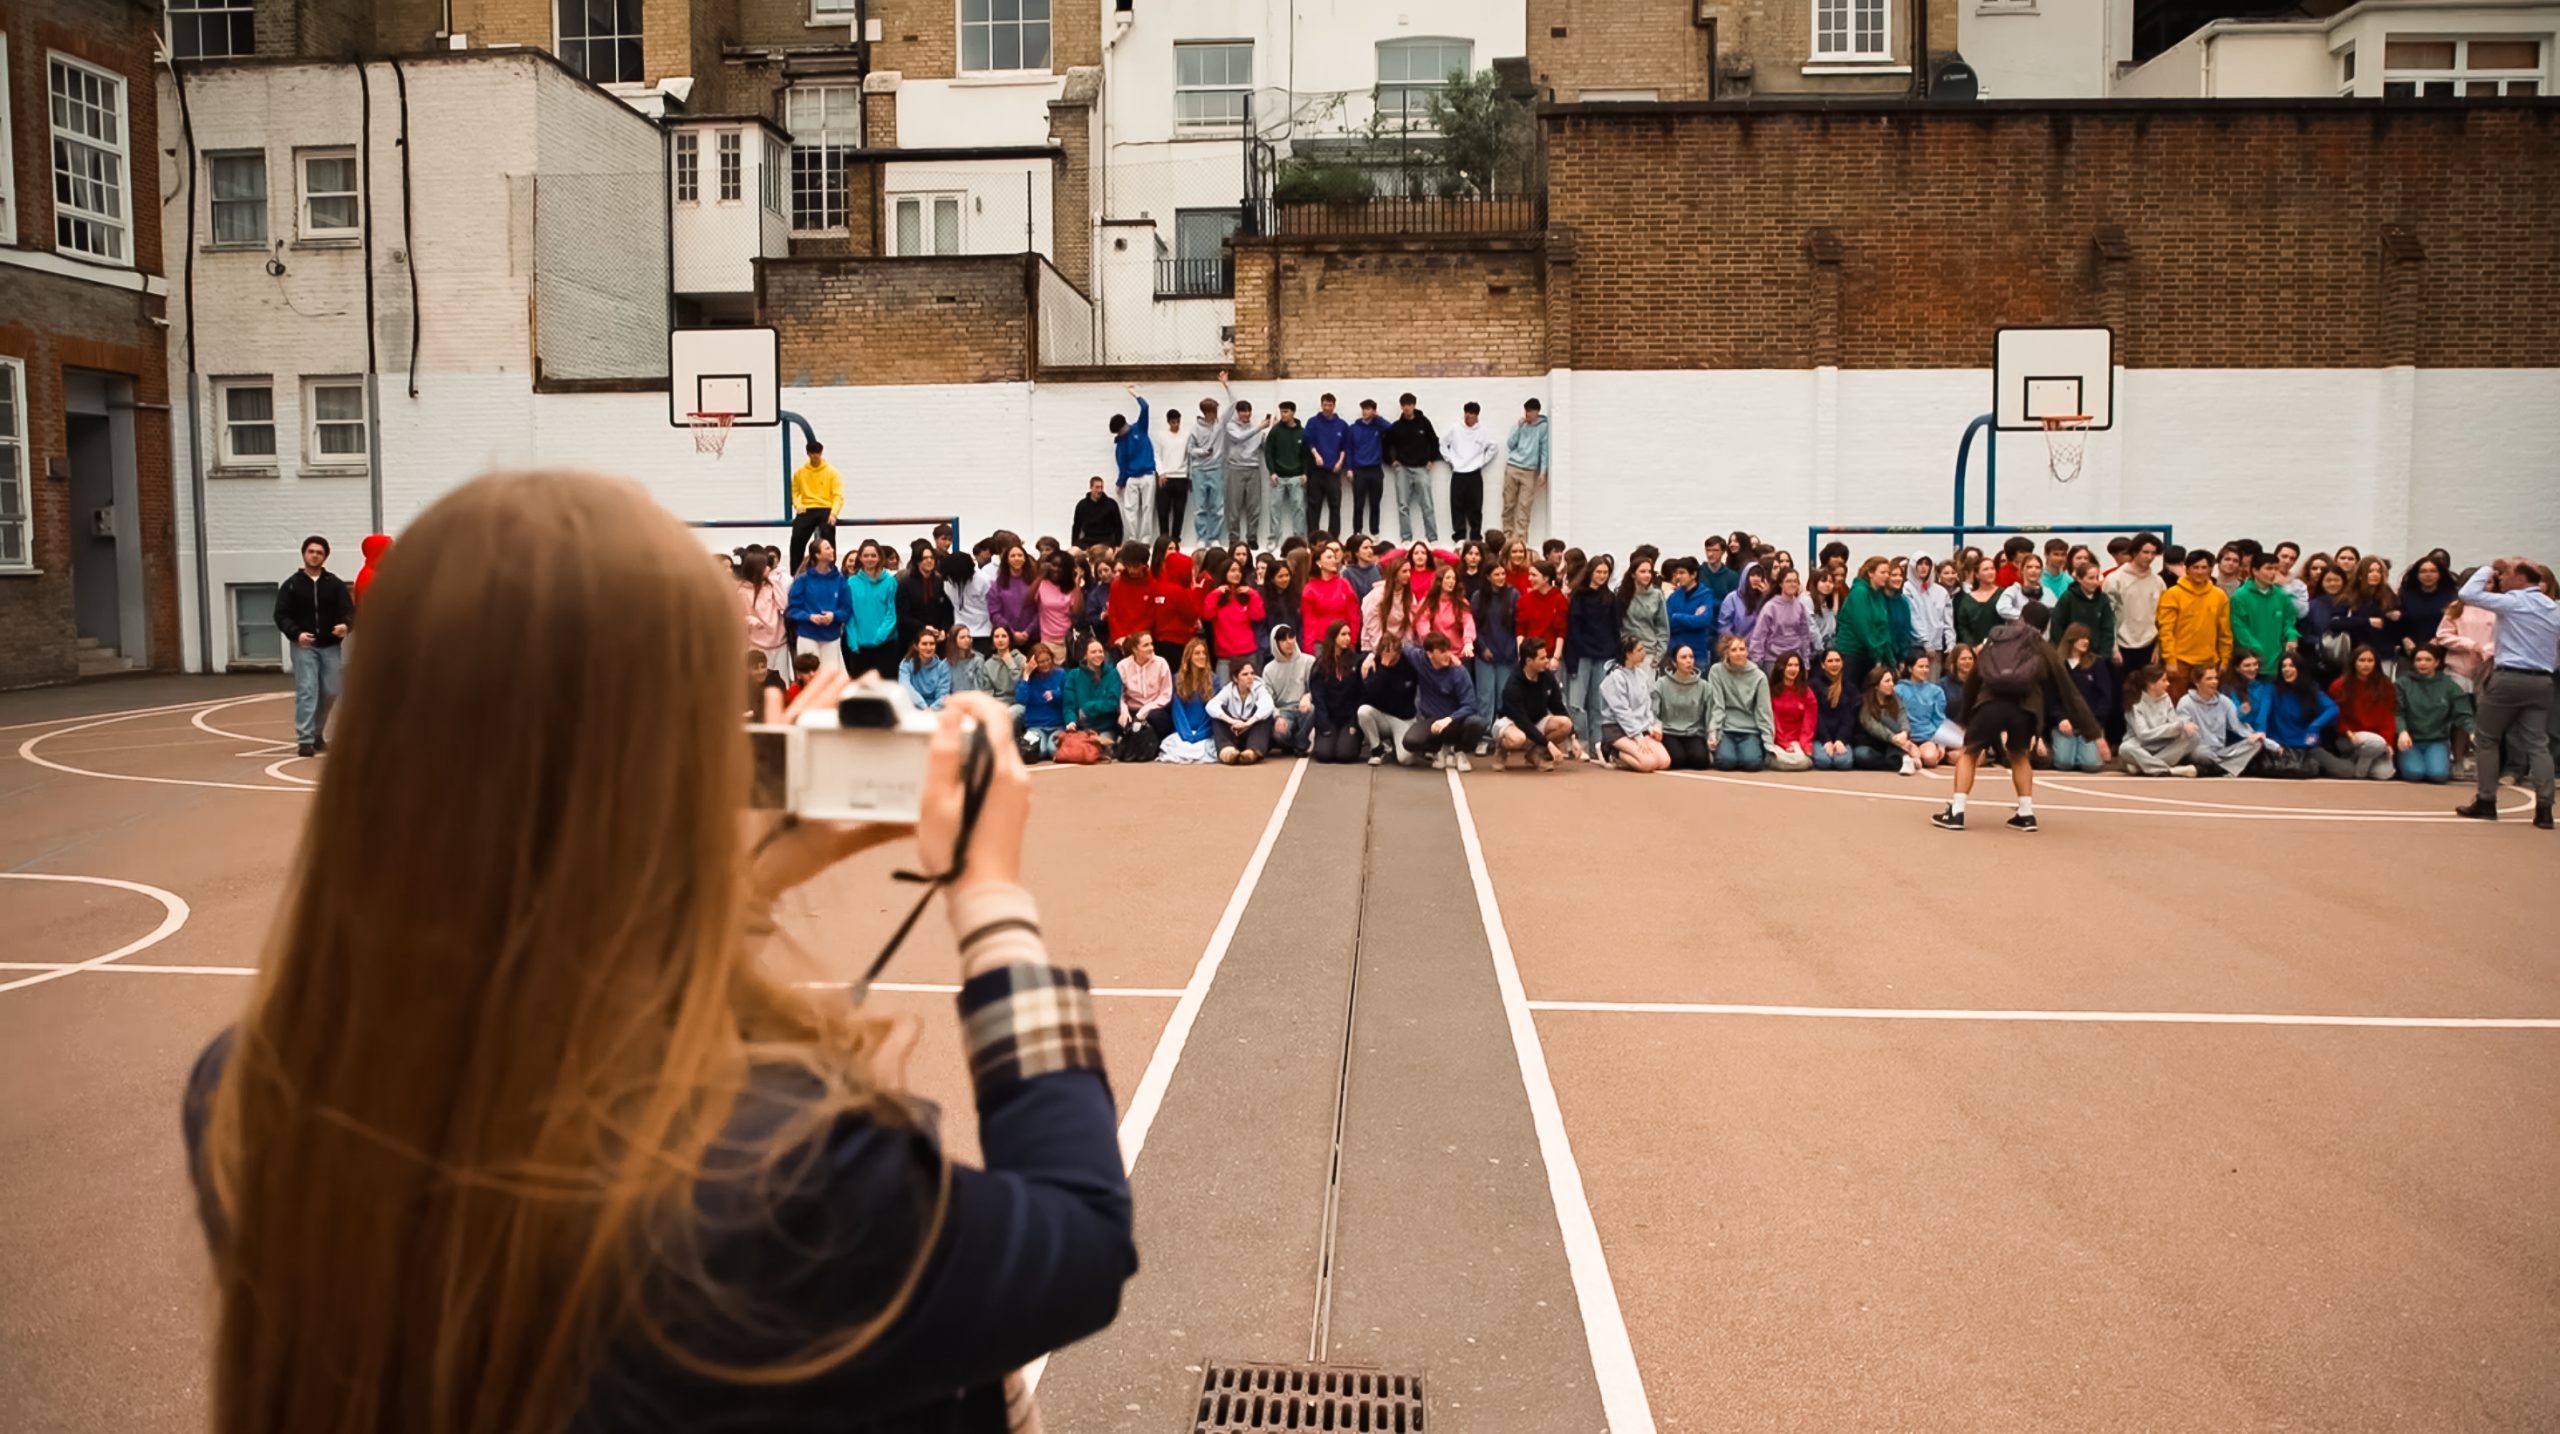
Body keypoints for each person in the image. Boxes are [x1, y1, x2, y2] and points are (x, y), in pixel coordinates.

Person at [186, 473, 1132, 1434]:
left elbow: (552, 964)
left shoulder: (251, 1094)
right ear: (665, 758)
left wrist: (741, 875)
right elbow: (1080, 1242)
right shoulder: (788, 1178)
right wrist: (990, 894)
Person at [1932, 604, 2102, 830]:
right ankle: (2025, 814)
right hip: (2026, 708)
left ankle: (1957, 811)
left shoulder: (1996, 639)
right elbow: (2066, 688)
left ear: (2020, 617)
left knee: (1970, 752)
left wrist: (1965, 716)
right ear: (2044, 626)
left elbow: (1975, 677)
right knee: (2019, 755)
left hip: (1990, 703)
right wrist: (2091, 729)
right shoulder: (2043, 647)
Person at [275, 535, 353, 757]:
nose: (315, 555)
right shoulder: (291, 585)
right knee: (307, 690)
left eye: (319, 552)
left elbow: (348, 611)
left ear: (325, 556)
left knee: (331, 690)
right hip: (304, 647)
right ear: (304, 554)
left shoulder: (334, 584)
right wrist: (296, 633)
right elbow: (281, 615)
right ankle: (306, 739)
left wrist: (345, 625)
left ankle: (317, 733)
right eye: (311, 551)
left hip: (330, 646)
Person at [1564, 555, 1622, 761]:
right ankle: (1580, 742)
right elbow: (1573, 628)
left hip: (1603, 655)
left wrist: (1616, 653)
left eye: (1605, 573)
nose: (1602, 576)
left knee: (1598, 703)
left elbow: (1616, 628)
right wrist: (1574, 654)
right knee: (1577, 703)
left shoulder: (1610, 598)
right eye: (1598, 572)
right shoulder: (1579, 596)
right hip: (1581, 654)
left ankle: (1597, 745)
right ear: (1590, 572)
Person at [1399, 634, 1484, 770]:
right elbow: (1403, 646)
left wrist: (1450, 719)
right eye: (1442, 651)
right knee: (1410, 742)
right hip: (1432, 721)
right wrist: (1371, 656)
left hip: (1456, 721)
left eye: (1448, 650)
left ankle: (1459, 750)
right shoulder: (1419, 659)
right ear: (1430, 654)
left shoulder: (1458, 671)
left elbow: (1470, 705)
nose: (1447, 655)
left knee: (1478, 723)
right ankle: (1439, 749)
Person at [2155, 549, 2232, 697]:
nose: (2200, 571)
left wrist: (2225, 659)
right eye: (2195, 567)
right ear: (2187, 569)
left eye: (2204, 568)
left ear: (2210, 569)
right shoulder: (2173, 594)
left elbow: (2225, 632)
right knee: (2175, 703)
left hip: (2209, 662)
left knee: (2207, 704)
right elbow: (2166, 630)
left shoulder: (2219, 595)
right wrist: (2170, 660)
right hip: (2179, 662)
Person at [2320, 647, 2398, 780]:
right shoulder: (2339, 685)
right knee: (2376, 744)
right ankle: (2359, 774)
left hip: (2378, 740)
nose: (2366, 664)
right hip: (2349, 737)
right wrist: (2347, 732)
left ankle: (2353, 763)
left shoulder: (2385, 685)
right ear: (2354, 662)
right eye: (2361, 660)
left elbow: (2388, 717)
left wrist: (2389, 743)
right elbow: (2335, 715)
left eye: (2370, 661)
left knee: (2384, 774)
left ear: (2375, 663)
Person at [2173, 664, 2264, 777]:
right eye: (2209, 679)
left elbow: (2239, 728)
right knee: (2201, 753)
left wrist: (2262, 739)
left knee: (2256, 743)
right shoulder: (2186, 702)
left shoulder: (2225, 701)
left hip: (2221, 752)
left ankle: (2205, 770)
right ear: (2197, 682)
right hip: (2199, 750)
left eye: (2216, 678)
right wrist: (2186, 727)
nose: (2214, 682)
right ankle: (2226, 769)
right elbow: (2184, 729)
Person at [2395, 644, 2467, 784]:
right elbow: (2397, 711)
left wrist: (2472, 731)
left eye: (2428, 659)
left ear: (2437, 662)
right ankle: (2403, 761)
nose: (2422, 663)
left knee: (2438, 775)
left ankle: (2442, 761)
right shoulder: (2402, 683)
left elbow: (2463, 710)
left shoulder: (2449, 685)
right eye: (2418, 659)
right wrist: (2402, 731)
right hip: (2410, 741)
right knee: (2414, 774)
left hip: (2436, 740)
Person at [1704, 635, 1776, 772]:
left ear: (1747, 651)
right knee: (1726, 762)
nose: (1738, 653)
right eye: (1734, 650)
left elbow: (1764, 711)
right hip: (1726, 729)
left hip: (1750, 730)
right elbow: (1717, 706)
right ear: (1727, 653)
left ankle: (1750, 751)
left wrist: (1768, 743)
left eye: (1742, 649)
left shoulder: (1759, 676)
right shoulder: (1716, 671)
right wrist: (1713, 733)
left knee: (1752, 764)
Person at [1596, 637, 1669, 772]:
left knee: (1664, 761)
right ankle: (1611, 750)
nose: (1644, 653)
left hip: (1639, 725)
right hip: (1616, 728)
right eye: (1639, 650)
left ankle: (1627, 750)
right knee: (1648, 764)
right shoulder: (1615, 678)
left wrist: (1651, 726)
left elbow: (1646, 705)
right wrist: (1637, 736)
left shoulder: (1641, 674)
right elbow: (1621, 712)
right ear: (1628, 654)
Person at [786, 536, 853, 679]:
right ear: (817, 554)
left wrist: (833, 616)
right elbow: (793, 609)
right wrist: (809, 617)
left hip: (832, 637)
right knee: (809, 677)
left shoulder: (840, 580)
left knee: (831, 678)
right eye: (827, 548)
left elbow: (846, 609)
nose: (832, 550)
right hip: (807, 635)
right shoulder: (802, 580)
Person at [2053, 624, 2119, 769]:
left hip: (2090, 723)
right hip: (2065, 724)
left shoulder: (2097, 664)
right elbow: (2051, 696)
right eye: (2081, 637)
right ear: (2071, 639)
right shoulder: (2057, 664)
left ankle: (2082, 752)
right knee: (2064, 763)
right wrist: (2060, 718)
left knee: (2091, 765)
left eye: (2088, 638)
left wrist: (2094, 723)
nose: (2086, 641)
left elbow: (2105, 697)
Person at [2118, 665, 2200, 777]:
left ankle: (2143, 765)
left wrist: (2182, 727)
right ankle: (2172, 771)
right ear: (2152, 685)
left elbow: (2174, 723)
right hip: (2142, 745)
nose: (2168, 684)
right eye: (2164, 680)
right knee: (2125, 748)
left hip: (2163, 745)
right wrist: (2176, 727)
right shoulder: (2135, 703)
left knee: (2193, 737)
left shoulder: (2166, 698)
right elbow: (2143, 734)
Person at [1307, 623, 1369, 764]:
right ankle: (1326, 737)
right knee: (1324, 755)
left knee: (1345, 755)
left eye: (1349, 634)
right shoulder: (1321, 664)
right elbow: (1318, 697)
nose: (1347, 638)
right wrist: (1324, 725)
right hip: (1329, 718)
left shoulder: (1356, 661)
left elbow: (1361, 695)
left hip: (1349, 718)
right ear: (1333, 637)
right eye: (1343, 634)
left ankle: (1353, 739)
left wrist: (1354, 723)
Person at [2104, 532, 2168, 668]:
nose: (2149, 557)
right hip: (2122, 646)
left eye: (2153, 553)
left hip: (2149, 646)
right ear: (2134, 551)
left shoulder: (2158, 582)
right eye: (2145, 552)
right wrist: (2113, 648)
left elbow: (2162, 618)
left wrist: (2158, 646)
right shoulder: (2115, 579)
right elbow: (2107, 617)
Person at [1442, 401, 1501, 542]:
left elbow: (1493, 447)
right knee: (1457, 506)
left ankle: (1475, 537)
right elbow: (1443, 444)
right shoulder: (1455, 428)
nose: (1468, 416)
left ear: (1477, 416)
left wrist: (1482, 462)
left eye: (1472, 413)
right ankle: (1459, 537)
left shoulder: (1483, 431)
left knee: (1475, 507)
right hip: (1458, 473)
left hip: (1474, 474)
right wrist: (1450, 460)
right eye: (1466, 412)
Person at [1358, 636, 1422, 766]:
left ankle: (1396, 743)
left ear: (1399, 653)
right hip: (1382, 716)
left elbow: (1401, 692)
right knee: (1363, 711)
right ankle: (1377, 749)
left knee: (1406, 760)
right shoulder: (1374, 664)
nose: (1390, 657)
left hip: (1403, 718)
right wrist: (1384, 667)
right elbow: (1370, 694)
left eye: (1393, 653)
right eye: (1385, 653)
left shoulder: (1408, 665)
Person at [843, 541, 902, 680]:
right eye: (866, 555)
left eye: (873, 555)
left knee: (887, 688)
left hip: (885, 644)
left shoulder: (890, 581)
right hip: (859, 647)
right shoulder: (851, 583)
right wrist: (853, 641)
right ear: (860, 558)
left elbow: (891, 612)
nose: (870, 559)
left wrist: (879, 637)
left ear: (880, 558)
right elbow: (849, 614)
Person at [1202, 556, 1265, 684]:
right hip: (1225, 656)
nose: (1237, 574)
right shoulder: (1216, 596)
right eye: (1233, 570)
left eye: (1239, 571)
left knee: (1251, 691)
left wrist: (1253, 594)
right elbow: (1207, 615)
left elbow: (1258, 615)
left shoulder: (1246, 595)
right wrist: (1216, 593)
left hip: (1248, 653)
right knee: (1223, 693)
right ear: (1224, 573)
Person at [1158, 638, 1221, 764]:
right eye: (1197, 653)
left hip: (1204, 732)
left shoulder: (1214, 680)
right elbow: (1177, 712)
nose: (1201, 656)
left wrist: (1199, 735)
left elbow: (1212, 711)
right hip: (1183, 731)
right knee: (1178, 747)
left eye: (1204, 653)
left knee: (1204, 749)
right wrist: (1186, 735)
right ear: (1189, 657)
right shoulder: (1177, 679)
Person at [1221, 390, 1270, 549]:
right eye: (1243, 411)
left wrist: (1269, 430)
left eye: (1248, 411)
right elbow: (1239, 437)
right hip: (1235, 468)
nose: (1246, 414)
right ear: (1238, 412)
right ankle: (1234, 538)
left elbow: (1264, 446)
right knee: (1233, 506)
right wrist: (1259, 427)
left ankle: (1252, 537)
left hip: (1253, 469)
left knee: (1254, 506)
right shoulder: (1231, 426)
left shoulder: (1256, 428)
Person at [1188, 378, 1233, 546]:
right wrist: (1203, 452)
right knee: (1200, 508)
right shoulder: (1195, 428)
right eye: (1213, 412)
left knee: (1217, 506)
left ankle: (1214, 537)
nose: (1215, 415)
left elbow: (1234, 404)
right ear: (1207, 412)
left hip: (1216, 469)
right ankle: (1202, 537)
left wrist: (1226, 384)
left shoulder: (1220, 424)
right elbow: (1191, 450)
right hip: (1199, 470)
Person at [1653, 643, 1712, 769]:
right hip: (1669, 731)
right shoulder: (1661, 684)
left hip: (1694, 732)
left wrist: (1711, 734)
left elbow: (1710, 714)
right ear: (1674, 663)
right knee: (1677, 760)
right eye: (1684, 657)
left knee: (1700, 761)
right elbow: (1653, 712)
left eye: (1691, 657)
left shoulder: (1704, 686)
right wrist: (1656, 725)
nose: (1689, 661)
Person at [785, 438, 841, 572]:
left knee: (828, 535)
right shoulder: (800, 472)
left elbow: (837, 495)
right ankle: (796, 571)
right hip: (807, 508)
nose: (815, 457)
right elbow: (794, 492)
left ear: (821, 453)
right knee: (797, 537)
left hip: (825, 508)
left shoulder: (831, 472)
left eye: (817, 454)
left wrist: (834, 513)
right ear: (808, 454)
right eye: (812, 454)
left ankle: (830, 568)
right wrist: (798, 505)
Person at [1852, 665, 1921, 773]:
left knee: (1888, 719)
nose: (1892, 684)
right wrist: (1893, 738)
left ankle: (1899, 758)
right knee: (1860, 754)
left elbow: (1902, 716)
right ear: (1876, 686)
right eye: (1887, 681)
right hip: (1873, 744)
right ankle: (1899, 761)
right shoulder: (1864, 702)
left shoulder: (1895, 698)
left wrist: (1904, 732)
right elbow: (1872, 726)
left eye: (1892, 680)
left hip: (1893, 745)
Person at [1499, 398, 1549, 539]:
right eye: (1526, 411)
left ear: (1537, 412)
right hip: (1513, 466)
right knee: (1508, 504)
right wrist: (1519, 428)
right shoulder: (1520, 425)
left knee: (1524, 506)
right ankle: (1507, 537)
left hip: (1530, 470)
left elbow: (1544, 450)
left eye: (1530, 411)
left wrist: (1543, 472)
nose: (1527, 414)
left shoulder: (1543, 427)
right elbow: (1510, 444)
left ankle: (1521, 540)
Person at [1262, 626, 1316, 756]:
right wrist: (1277, 716)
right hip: (1283, 712)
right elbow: (1267, 698)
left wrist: (1308, 696)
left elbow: (1317, 689)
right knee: (1279, 734)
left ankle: (1301, 743)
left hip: (1303, 707)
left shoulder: (1309, 661)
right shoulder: (1269, 669)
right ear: (1275, 643)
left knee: (1313, 709)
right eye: (1283, 639)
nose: (1289, 642)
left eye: (1291, 637)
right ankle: (1292, 742)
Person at [1208, 662, 1277, 765]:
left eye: (1252, 673)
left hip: (1251, 731)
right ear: (1235, 678)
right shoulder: (1228, 689)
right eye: (1245, 674)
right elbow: (1211, 705)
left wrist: (1248, 723)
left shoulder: (1259, 688)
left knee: (1265, 715)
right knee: (1217, 714)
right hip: (1234, 729)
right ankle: (1227, 750)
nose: (1250, 677)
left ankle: (1252, 751)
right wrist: (1232, 721)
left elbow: (1268, 705)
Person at [1117, 630, 1174, 752]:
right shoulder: (1122, 666)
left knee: (1156, 717)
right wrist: (1124, 711)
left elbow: (1166, 694)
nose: (1151, 648)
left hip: (1154, 709)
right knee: (1119, 718)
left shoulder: (1161, 663)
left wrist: (1145, 710)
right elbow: (1120, 694)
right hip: (1132, 710)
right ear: (1135, 650)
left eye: (1151, 644)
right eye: (1146, 645)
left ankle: (1156, 746)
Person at [1062, 636, 1123, 748]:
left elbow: (1113, 703)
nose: (1098, 655)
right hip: (1083, 728)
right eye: (1093, 652)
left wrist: (1087, 708)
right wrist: (1071, 722)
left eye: (1100, 651)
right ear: (1085, 655)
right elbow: (1069, 705)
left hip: (1106, 727)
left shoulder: (1113, 674)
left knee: (1098, 747)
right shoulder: (1074, 675)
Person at [1305, 394, 1352, 537]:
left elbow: (1345, 446)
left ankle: (1334, 538)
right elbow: (1308, 441)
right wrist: (1316, 455)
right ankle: (1313, 538)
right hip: (1316, 471)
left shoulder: (1342, 425)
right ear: (1321, 405)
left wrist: (1340, 462)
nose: (1327, 408)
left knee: (1335, 505)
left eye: (1329, 405)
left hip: (1333, 471)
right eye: (1325, 405)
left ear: (1334, 406)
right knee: (1314, 505)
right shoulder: (1313, 422)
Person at [738, 547, 790, 678]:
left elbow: (784, 604)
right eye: (764, 565)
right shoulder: (742, 591)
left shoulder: (772, 584)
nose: (768, 568)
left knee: (781, 681)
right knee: (759, 682)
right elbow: (738, 617)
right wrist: (750, 620)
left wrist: (775, 582)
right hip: (757, 644)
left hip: (779, 642)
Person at [896, 546, 956, 653]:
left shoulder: (942, 582)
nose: (929, 561)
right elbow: (903, 615)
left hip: (938, 640)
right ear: (917, 561)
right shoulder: (905, 585)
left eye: (932, 558)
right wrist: (923, 627)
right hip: (912, 640)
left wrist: (943, 629)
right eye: (925, 558)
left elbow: (948, 610)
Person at [1265, 401, 1310, 544]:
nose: (1283, 415)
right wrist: (1272, 471)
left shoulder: (1301, 432)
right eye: (1281, 412)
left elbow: (1305, 454)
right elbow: (1268, 452)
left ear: (1293, 413)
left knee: (1299, 509)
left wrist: (1305, 473)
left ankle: (1299, 539)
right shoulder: (1275, 431)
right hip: (1278, 477)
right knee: (1274, 509)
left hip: (1296, 477)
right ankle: (1274, 539)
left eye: (1286, 412)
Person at [1897, 653, 1953, 767]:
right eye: (1920, 667)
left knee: (1930, 760)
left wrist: (1941, 744)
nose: (1925, 670)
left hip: (1927, 736)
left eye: (1927, 667)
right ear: (1910, 669)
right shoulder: (1899, 690)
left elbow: (1939, 718)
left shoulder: (1936, 691)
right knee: (1912, 756)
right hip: (1906, 737)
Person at [1345, 399, 1391, 537]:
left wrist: (1377, 417)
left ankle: (1374, 533)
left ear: (1374, 411)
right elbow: (1349, 449)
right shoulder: (1353, 428)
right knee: (1358, 504)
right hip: (1359, 470)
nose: (1365, 412)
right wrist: (1349, 468)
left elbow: (1391, 428)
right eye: (1364, 409)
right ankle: (1357, 532)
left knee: (1375, 504)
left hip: (1375, 469)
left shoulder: (1378, 427)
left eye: (1369, 409)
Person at [1014, 642, 1067, 760]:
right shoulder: (1028, 678)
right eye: (1041, 662)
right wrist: (1026, 675)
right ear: (1034, 663)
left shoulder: (1061, 674)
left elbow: (1067, 697)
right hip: (1035, 726)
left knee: (1053, 749)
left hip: (1057, 725)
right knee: (1040, 751)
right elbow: (1021, 699)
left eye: (1048, 660)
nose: (1045, 664)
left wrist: (1055, 695)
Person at [1808, 649, 1859, 770]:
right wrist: (1826, 740)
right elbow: (1815, 716)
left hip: (1841, 738)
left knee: (1843, 763)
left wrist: (1841, 740)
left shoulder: (1849, 687)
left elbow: (1850, 717)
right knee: (1823, 762)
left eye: (1837, 660)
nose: (1834, 664)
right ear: (1822, 665)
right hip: (1820, 737)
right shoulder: (1813, 685)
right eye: (1830, 661)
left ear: (1842, 663)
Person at [1906, 552, 1954, 663]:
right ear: (1913, 566)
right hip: (1915, 647)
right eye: (1920, 564)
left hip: (1937, 647)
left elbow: (1948, 621)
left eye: (1927, 564)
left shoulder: (1941, 591)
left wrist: (1951, 644)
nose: (1924, 567)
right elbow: (1914, 617)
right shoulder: (1907, 589)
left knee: (1934, 679)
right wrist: (1925, 641)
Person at [1151, 406, 1188, 544]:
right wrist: (1160, 473)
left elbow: (1188, 455)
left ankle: (1176, 539)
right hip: (1165, 477)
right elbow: (1157, 455)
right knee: (1163, 510)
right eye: (1173, 422)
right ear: (1168, 422)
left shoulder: (1186, 435)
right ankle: (1164, 539)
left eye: (1178, 421)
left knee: (1179, 511)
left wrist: (1188, 474)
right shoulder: (1161, 436)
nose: (1176, 425)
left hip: (1181, 477)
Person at [897, 628, 952, 710]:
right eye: (924, 644)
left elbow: (943, 695)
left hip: (935, 710)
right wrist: (924, 707)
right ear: (916, 646)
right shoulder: (906, 664)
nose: (928, 647)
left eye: (932, 644)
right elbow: (905, 687)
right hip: (912, 707)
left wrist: (931, 710)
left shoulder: (943, 666)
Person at [978, 624, 1028, 701]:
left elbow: (1021, 685)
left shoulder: (1021, 659)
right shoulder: (988, 664)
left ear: (1010, 639)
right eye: (996, 636)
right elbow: (988, 691)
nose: (1000, 640)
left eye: (1004, 636)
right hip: (997, 704)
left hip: (1017, 702)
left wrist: (1010, 664)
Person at [1072, 475, 1122, 551]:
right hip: (1088, 539)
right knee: (1073, 552)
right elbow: (1076, 527)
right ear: (1091, 487)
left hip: (1106, 540)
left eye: (1101, 487)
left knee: (1102, 553)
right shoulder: (1082, 505)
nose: (1100, 490)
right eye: (1097, 487)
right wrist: (1074, 544)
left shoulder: (1111, 504)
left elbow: (1118, 526)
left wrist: (1118, 544)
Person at [1996, 554, 2045, 622]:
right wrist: (2025, 616)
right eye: (2029, 567)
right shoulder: (2013, 591)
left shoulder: (2047, 592)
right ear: (2022, 570)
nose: (2034, 570)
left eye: (2037, 567)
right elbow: (2002, 608)